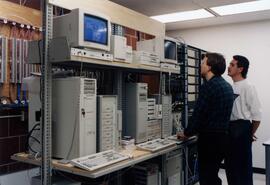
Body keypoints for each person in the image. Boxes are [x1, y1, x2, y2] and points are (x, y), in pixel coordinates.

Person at [178, 52, 234, 185]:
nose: (200, 65)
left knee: (207, 178)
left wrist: (186, 133)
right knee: (212, 175)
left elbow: (199, 115)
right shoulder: (227, 86)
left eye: (203, 63)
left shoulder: (208, 87)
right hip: (222, 139)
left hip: (210, 140)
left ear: (209, 67)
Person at [226, 55, 262, 185]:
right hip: (230, 129)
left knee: (242, 168)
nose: (228, 67)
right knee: (231, 167)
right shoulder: (230, 87)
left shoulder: (248, 87)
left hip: (241, 129)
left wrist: (249, 133)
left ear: (240, 69)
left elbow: (257, 116)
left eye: (232, 64)